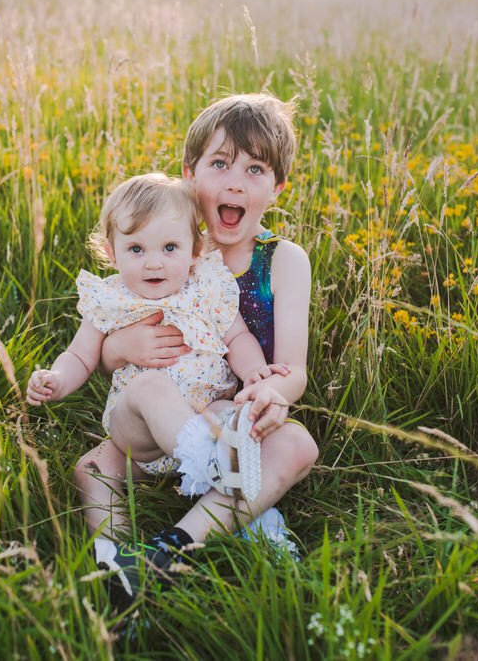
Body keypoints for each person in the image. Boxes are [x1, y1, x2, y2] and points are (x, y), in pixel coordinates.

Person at [75, 93, 319, 608]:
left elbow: (292, 371)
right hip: (149, 418)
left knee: (297, 446)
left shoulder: (284, 261)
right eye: (220, 163)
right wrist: (119, 347)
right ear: (190, 175)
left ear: (277, 188)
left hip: (229, 417)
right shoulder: (161, 245)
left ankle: (164, 553)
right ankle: (117, 562)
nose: (235, 182)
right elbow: (99, 344)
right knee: (95, 470)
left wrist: (270, 393)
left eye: (256, 170)